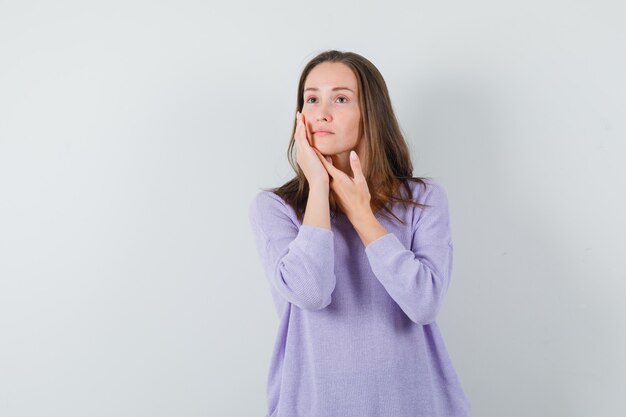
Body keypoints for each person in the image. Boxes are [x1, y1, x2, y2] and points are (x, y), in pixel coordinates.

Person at [248, 50, 471, 417]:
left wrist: (361, 215)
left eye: (340, 98)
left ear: (371, 112)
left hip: (413, 403)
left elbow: (424, 304)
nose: (322, 112)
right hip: (314, 404)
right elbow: (310, 292)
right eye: (311, 98)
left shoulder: (423, 200)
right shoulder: (276, 208)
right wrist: (319, 187)